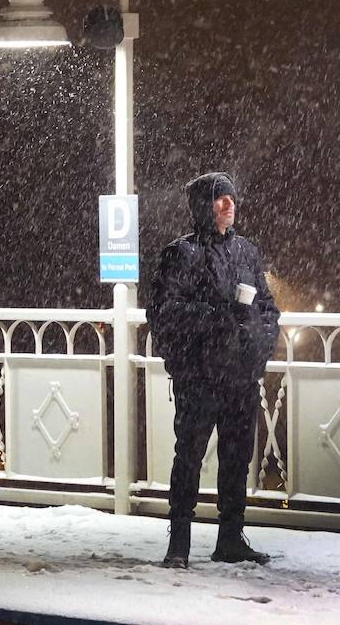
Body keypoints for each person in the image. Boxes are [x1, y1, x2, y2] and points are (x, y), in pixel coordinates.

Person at [147, 171, 280, 568]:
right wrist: (219, 317)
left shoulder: (247, 254)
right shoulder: (182, 253)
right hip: (200, 375)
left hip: (241, 374)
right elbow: (163, 311)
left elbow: (269, 308)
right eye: (220, 198)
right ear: (203, 207)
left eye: (231, 197)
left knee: (237, 457)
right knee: (189, 455)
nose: (229, 204)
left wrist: (260, 345)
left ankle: (230, 538)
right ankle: (179, 544)